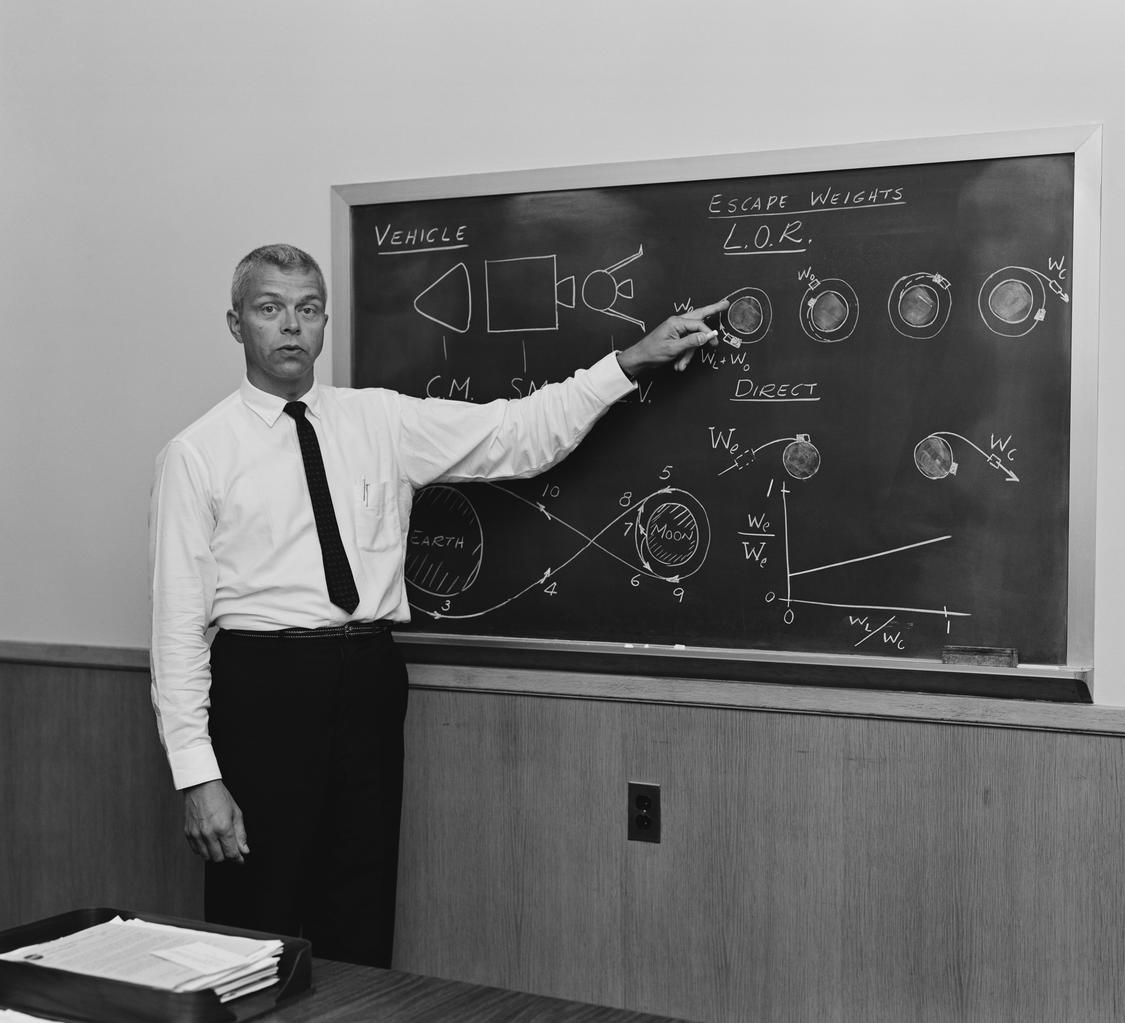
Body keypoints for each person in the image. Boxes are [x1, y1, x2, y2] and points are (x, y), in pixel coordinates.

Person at [149, 243, 724, 967]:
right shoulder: (196, 454)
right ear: (237, 324)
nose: (291, 326)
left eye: (308, 308)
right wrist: (198, 778)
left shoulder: (380, 421)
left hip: (367, 681)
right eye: (270, 309)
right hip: (262, 690)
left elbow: (517, 435)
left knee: (358, 915)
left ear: (325, 320)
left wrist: (630, 361)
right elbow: (175, 632)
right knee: (255, 923)